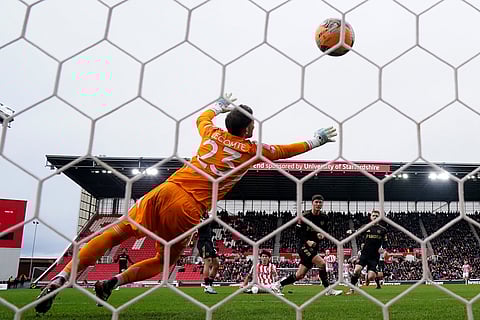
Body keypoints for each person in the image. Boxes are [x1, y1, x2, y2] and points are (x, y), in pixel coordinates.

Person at [34, 93, 337, 313]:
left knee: (113, 234)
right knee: (165, 261)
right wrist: (316, 140)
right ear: (246, 130)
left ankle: (63, 276)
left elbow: (201, 119)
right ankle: (116, 280)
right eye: (252, 126)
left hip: (162, 191)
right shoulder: (249, 148)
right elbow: (284, 150)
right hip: (188, 207)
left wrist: (218, 106)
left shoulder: (212, 133)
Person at [272, 195, 343, 296]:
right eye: (316, 202)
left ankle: (278, 285)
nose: (318, 204)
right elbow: (297, 233)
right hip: (303, 246)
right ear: (312, 203)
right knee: (322, 263)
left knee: (300, 275)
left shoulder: (325, 217)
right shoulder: (304, 216)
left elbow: (326, 231)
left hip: (314, 247)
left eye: (320, 202)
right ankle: (328, 290)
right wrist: (307, 241)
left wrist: (322, 235)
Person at [345, 210, 387, 295]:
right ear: (371, 217)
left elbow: (385, 241)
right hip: (364, 254)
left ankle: (368, 278)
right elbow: (358, 232)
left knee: (371, 277)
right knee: (356, 270)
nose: (375, 217)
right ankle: (352, 289)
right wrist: (351, 232)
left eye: (377, 216)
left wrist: (384, 249)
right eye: (373, 215)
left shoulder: (383, 230)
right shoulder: (366, 226)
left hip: (374, 256)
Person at [196, 220, 219, 294]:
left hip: (209, 242)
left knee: (216, 265)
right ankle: (207, 286)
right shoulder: (199, 219)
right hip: (203, 242)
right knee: (207, 261)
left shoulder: (209, 218)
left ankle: (210, 285)